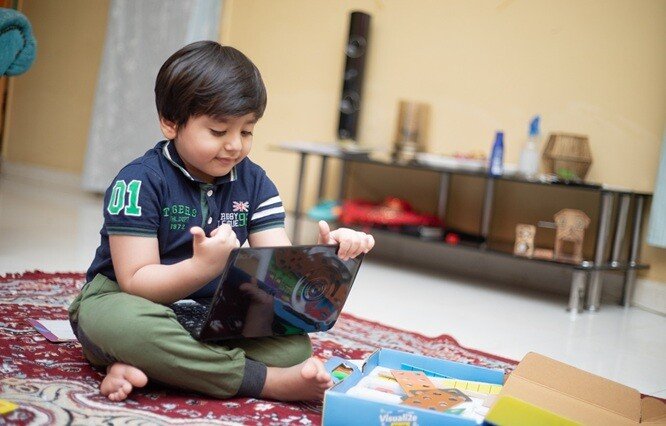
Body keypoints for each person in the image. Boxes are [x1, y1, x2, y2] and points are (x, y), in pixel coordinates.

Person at [68, 41, 374, 403]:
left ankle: (145, 366)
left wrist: (328, 256)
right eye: (217, 131)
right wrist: (201, 268)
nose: (234, 146)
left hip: (207, 311)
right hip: (125, 299)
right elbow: (136, 282)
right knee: (123, 326)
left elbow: (278, 272)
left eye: (246, 132)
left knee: (294, 349)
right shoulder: (139, 181)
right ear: (170, 122)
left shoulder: (255, 183)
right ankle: (265, 382)